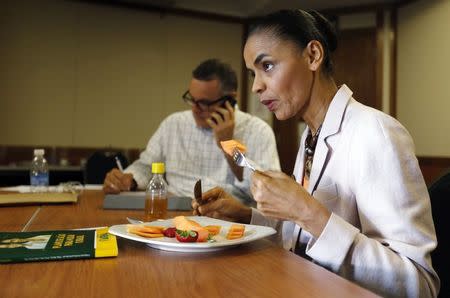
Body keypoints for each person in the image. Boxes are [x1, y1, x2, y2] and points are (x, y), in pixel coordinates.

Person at [192, 10, 439, 297]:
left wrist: (307, 211)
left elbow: (420, 284)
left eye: (268, 66)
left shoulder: (376, 133)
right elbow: (301, 238)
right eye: (253, 73)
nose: (256, 86)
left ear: (312, 56)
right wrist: (247, 215)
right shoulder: (311, 135)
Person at [103, 59, 280, 205]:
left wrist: (228, 146)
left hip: (227, 217)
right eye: (191, 99)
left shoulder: (258, 131)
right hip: (173, 211)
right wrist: (130, 179)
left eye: (203, 103)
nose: (194, 109)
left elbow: (268, 192)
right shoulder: (174, 124)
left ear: (230, 100)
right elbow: (146, 166)